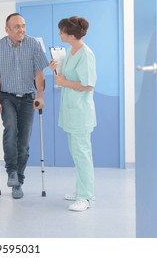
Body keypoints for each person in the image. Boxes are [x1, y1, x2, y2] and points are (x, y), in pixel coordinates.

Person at [0, 13, 48, 199]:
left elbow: (39, 73)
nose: (21, 29)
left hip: (28, 97)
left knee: (24, 143)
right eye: (17, 26)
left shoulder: (33, 45)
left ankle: (18, 181)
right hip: (7, 97)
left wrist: (40, 96)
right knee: (11, 129)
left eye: (23, 25)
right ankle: (11, 171)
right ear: (7, 29)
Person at [49, 16, 97, 211]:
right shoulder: (71, 51)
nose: (59, 34)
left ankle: (86, 198)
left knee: (83, 154)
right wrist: (57, 69)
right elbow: (68, 76)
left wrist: (63, 83)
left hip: (81, 112)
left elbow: (88, 84)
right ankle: (81, 191)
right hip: (71, 110)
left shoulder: (86, 54)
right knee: (77, 154)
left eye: (61, 31)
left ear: (70, 34)